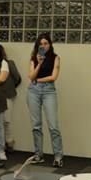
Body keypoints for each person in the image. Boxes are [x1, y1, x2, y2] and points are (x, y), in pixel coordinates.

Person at [27, 32, 64, 167]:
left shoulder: (55, 58)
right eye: (41, 44)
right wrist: (39, 64)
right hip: (33, 91)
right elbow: (31, 76)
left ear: (50, 44)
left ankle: (58, 156)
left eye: (46, 43)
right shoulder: (33, 58)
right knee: (36, 125)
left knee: (53, 125)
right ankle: (38, 155)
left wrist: (37, 80)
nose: (43, 46)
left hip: (48, 90)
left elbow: (53, 77)